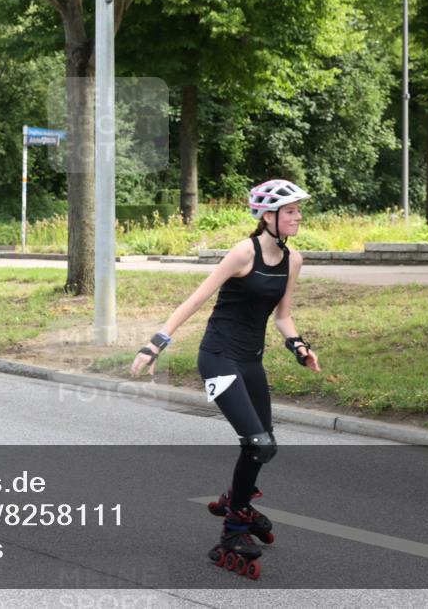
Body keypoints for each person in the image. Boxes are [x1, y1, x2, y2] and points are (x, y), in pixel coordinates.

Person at [130, 179, 321, 578]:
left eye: (298, 210)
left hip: (250, 360)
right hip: (218, 356)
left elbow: (283, 316)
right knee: (257, 441)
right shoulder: (242, 253)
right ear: (267, 216)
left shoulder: (294, 260)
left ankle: (236, 501)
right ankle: (233, 530)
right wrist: (155, 345)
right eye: (290, 211)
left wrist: (299, 347)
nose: (298, 216)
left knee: (264, 447)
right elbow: (196, 299)